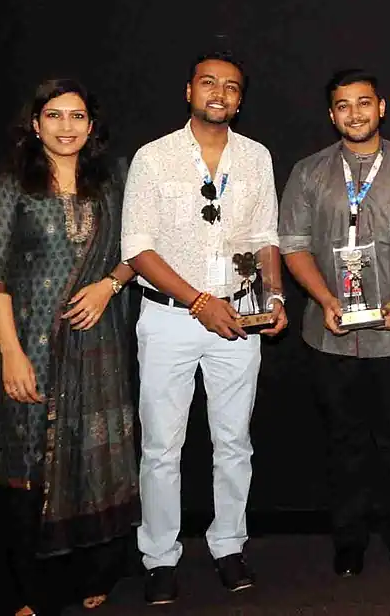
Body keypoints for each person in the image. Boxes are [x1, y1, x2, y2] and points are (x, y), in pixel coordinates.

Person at [121, 49, 287, 605]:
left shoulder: (257, 156)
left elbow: (267, 235)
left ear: (241, 98)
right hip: (170, 319)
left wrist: (275, 295)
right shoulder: (153, 158)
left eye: (232, 86)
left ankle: (228, 545)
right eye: (209, 83)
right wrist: (198, 302)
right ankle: (160, 556)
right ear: (188, 90)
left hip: (241, 318)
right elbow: (138, 249)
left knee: (234, 442)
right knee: (163, 447)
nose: (220, 92)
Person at [0, 79, 140, 616]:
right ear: (36, 122)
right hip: (32, 345)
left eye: (77, 116)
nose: (66, 127)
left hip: (100, 343)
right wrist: (10, 351)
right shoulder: (12, 185)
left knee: (92, 458)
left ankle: (91, 573)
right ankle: (29, 587)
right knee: (32, 458)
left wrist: (110, 283)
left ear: (91, 126)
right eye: (55, 116)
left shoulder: (110, 183)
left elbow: (138, 249)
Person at [278, 69, 390, 577]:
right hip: (328, 332)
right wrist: (326, 298)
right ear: (332, 115)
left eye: (364, 103)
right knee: (343, 443)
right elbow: (293, 245)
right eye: (344, 106)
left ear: (382, 107)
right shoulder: (309, 172)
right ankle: (348, 540)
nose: (355, 113)